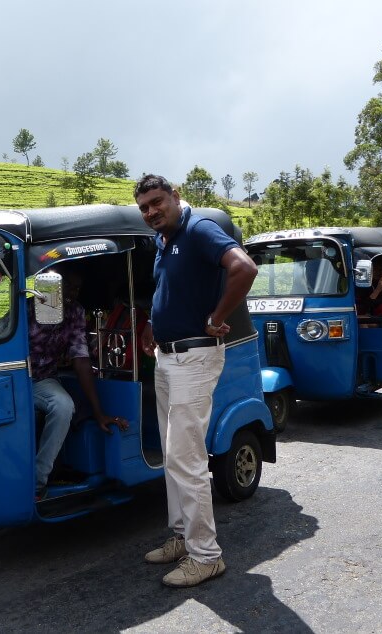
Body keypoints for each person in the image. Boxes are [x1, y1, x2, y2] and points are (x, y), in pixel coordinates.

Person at [133, 174, 258, 588]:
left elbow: (243, 267)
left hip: (195, 357)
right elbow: (170, 289)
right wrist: (154, 323)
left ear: (175, 197)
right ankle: (182, 537)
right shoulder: (163, 241)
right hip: (168, 357)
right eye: (144, 208)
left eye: (156, 202)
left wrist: (217, 318)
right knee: (173, 457)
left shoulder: (199, 228)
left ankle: (206, 555)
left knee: (187, 459)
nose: (151, 212)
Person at [28, 266, 127, 500]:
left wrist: (99, 412)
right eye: (67, 286)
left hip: (42, 379)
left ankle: (36, 482)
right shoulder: (26, 308)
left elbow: (80, 359)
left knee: (63, 406)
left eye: (76, 287)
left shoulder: (74, 312)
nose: (72, 292)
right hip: (14, 378)